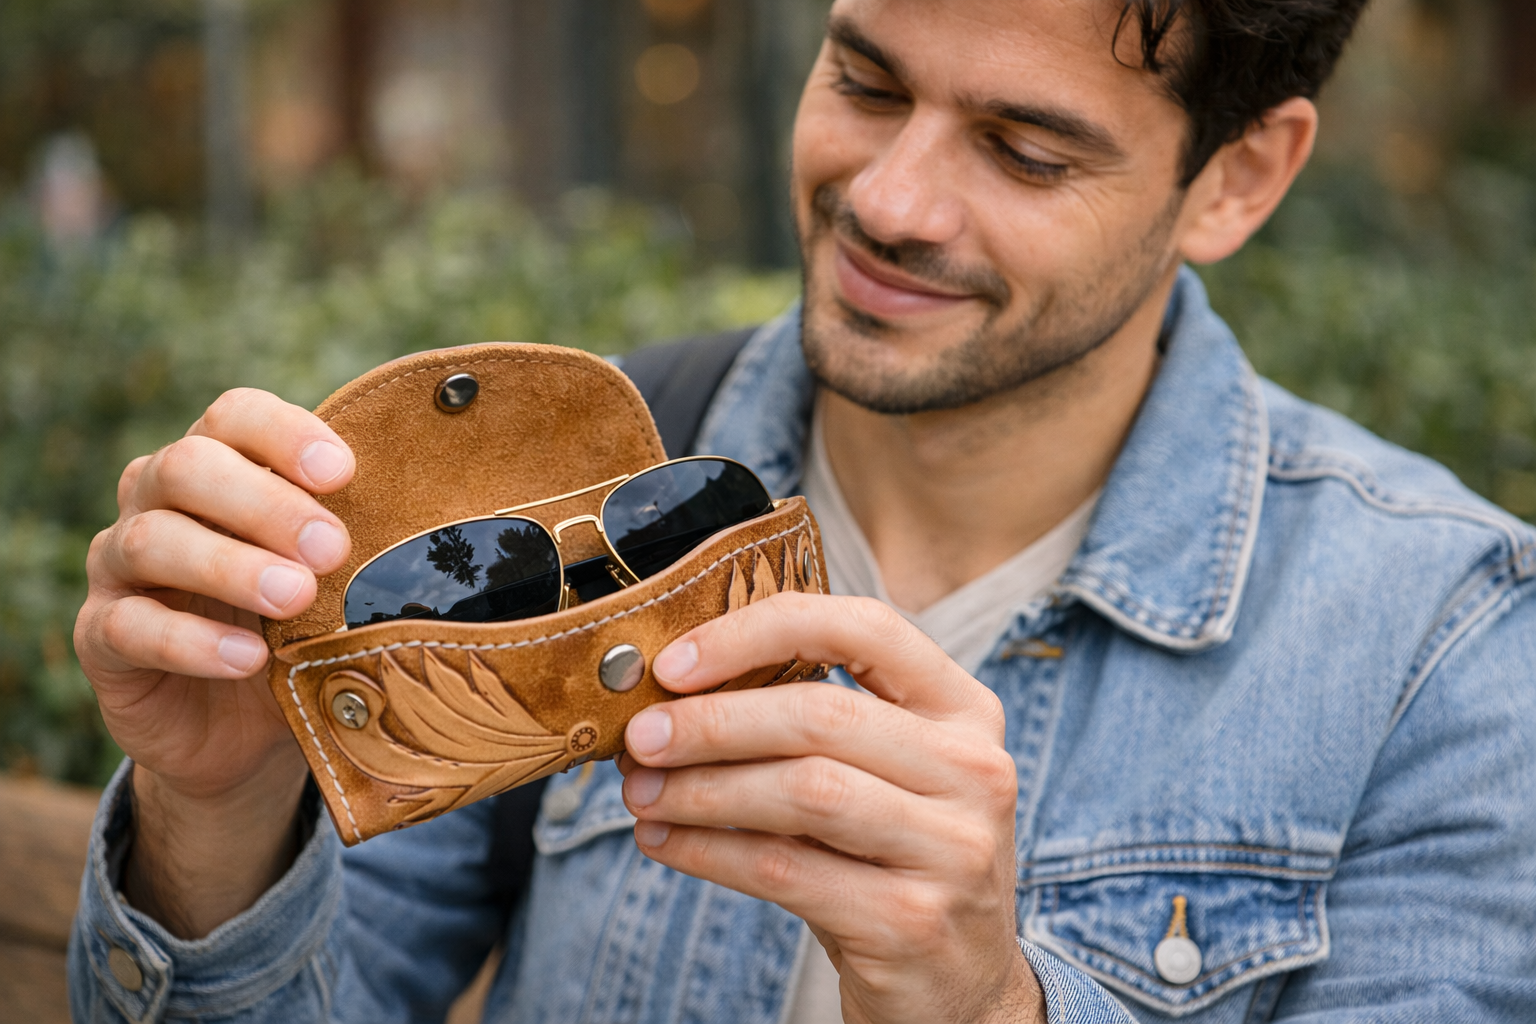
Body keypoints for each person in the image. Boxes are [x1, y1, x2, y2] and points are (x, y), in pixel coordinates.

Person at [68, 0, 1536, 1021]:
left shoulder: (1441, 652)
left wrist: (989, 1008)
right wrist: (216, 814)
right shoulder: (566, 496)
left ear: (1240, 178)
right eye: (865, 82)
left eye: (1025, 151)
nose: (891, 201)